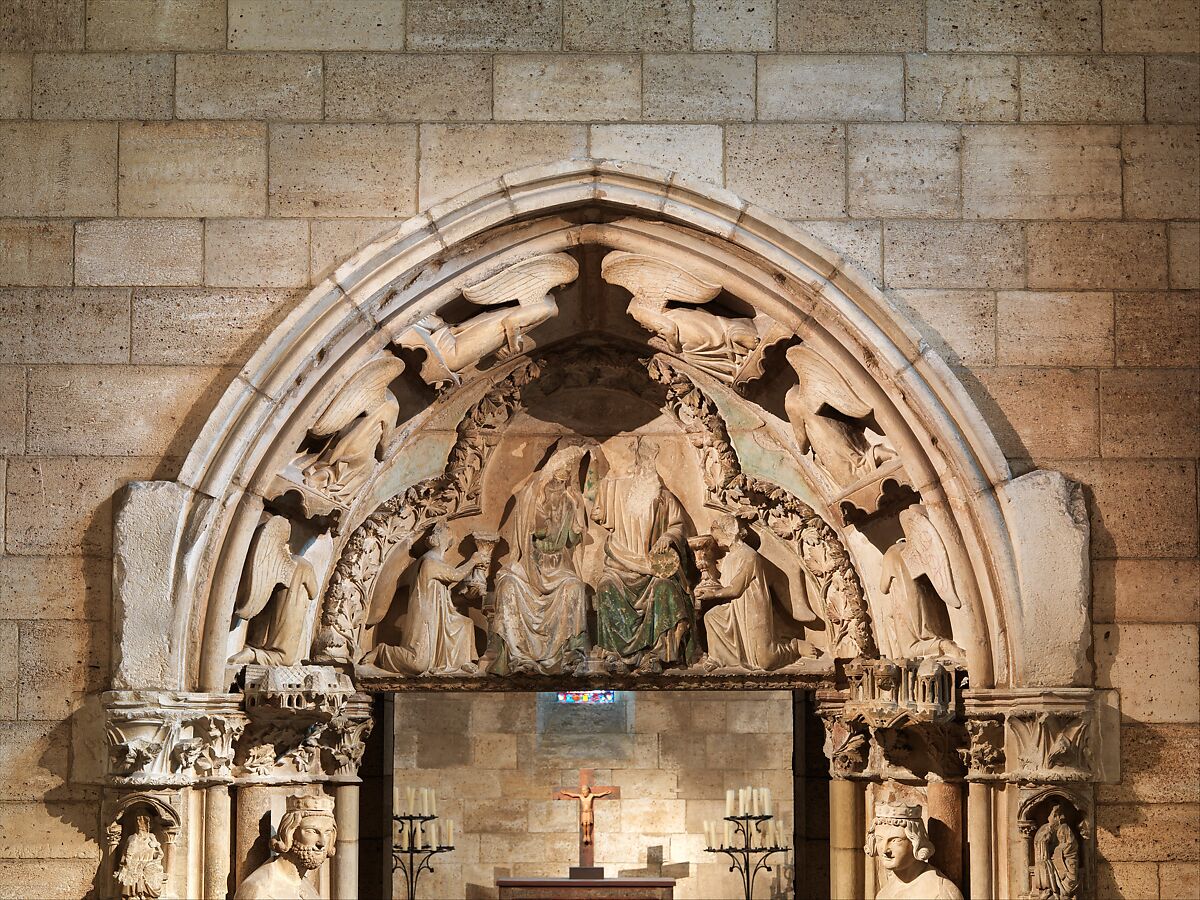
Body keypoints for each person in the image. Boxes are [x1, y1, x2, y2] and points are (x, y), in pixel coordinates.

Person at [592, 440, 697, 673]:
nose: (644, 469)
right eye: (641, 463)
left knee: (665, 589)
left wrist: (667, 537)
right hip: (620, 565)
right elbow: (598, 511)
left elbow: (679, 525)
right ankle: (615, 654)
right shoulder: (617, 494)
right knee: (606, 587)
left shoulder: (663, 497)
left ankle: (657, 654)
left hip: (652, 569)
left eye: (649, 464)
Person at [490, 446, 590, 675]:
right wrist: (541, 512)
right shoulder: (532, 497)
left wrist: (576, 515)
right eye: (559, 473)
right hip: (530, 565)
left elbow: (573, 538)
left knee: (574, 587)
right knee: (508, 585)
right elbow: (536, 531)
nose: (562, 478)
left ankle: (571, 653)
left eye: (566, 474)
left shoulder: (569, 501)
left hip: (558, 566)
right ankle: (515, 655)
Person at [361, 522, 483, 675]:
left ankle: (463, 661)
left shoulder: (436, 563)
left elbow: (443, 594)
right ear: (441, 540)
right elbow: (455, 575)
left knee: (465, 624)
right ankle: (382, 651)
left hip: (441, 616)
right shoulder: (429, 561)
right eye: (447, 537)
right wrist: (473, 560)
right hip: (425, 616)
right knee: (418, 664)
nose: (449, 541)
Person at [697, 514, 815, 670]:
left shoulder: (749, 555)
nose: (717, 542)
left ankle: (794, 647)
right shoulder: (729, 559)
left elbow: (735, 589)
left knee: (766, 661)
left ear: (729, 532)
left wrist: (712, 594)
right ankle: (718, 658)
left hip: (753, 608)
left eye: (719, 538)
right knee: (711, 617)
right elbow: (725, 585)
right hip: (735, 608)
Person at [235, 795, 337, 900]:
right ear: (289, 833)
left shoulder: (306, 885)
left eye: (327, 832)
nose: (322, 843)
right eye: (311, 831)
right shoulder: (260, 890)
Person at [865, 804, 963, 900]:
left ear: (916, 842)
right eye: (879, 839)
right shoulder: (885, 891)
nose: (885, 850)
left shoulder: (939, 892)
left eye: (896, 840)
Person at [1032, 804, 1080, 899]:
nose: (1056, 818)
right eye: (1054, 815)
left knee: (1071, 878)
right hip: (1055, 859)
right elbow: (1042, 842)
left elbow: (1072, 844)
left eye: (1057, 815)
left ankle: (1065, 893)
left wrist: (1060, 850)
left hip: (1068, 858)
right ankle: (1055, 892)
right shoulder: (1045, 829)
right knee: (1048, 867)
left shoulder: (1065, 827)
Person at [115, 814, 166, 899]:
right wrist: (126, 865)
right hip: (133, 867)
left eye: (144, 823)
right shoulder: (132, 838)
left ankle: (142, 893)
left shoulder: (151, 837)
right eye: (138, 822)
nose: (141, 825)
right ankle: (134, 894)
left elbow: (159, 854)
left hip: (148, 867)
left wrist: (156, 848)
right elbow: (125, 856)